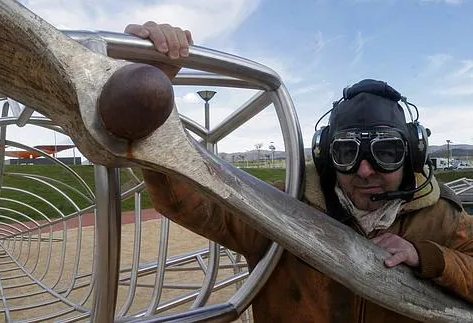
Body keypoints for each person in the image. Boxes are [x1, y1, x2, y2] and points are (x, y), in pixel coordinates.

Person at [124, 22, 473, 322]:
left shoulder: (444, 219)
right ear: (325, 156)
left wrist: (429, 257)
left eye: (386, 152)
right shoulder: (280, 208)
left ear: (412, 154)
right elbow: (186, 201)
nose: (365, 170)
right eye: (346, 153)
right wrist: (148, 99)